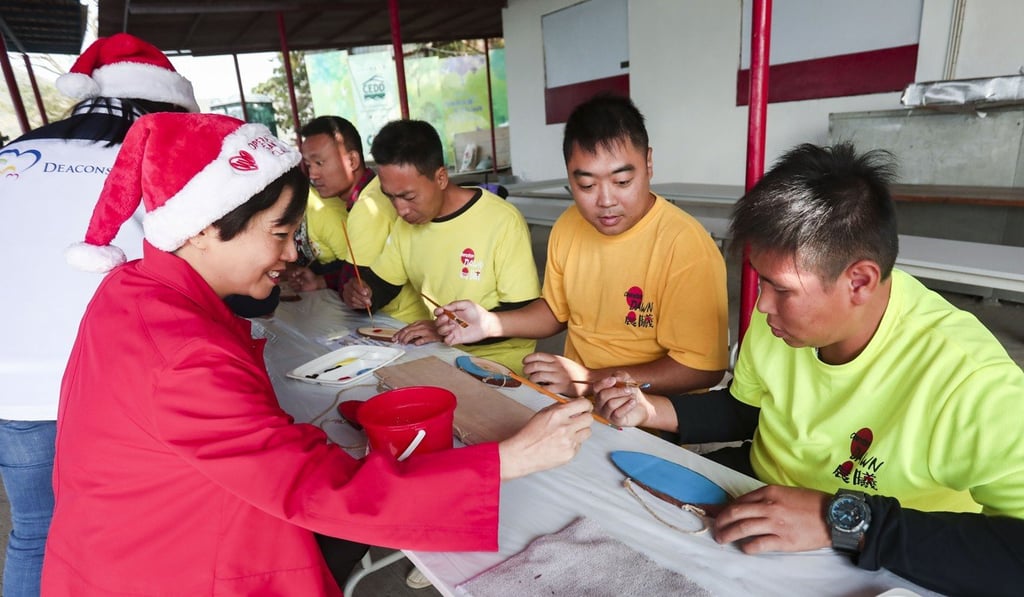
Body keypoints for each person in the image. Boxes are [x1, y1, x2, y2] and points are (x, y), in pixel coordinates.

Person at [44, 113, 592, 596]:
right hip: (176, 567)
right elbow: (315, 488)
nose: (290, 253)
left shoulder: (135, 291)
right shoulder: (185, 355)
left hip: (133, 547)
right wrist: (507, 461)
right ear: (205, 227)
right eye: (280, 232)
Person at [593, 142, 1024, 596]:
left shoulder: (970, 382)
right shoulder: (779, 323)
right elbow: (751, 409)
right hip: (757, 491)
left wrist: (842, 521)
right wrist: (650, 409)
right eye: (761, 281)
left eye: (781, 289)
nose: (762, 305)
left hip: (886, 550)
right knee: (616, 525)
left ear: (859, 281)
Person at [0, 33, 198, 597]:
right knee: (146, 528)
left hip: (10, 384)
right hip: (110, 382)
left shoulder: (13, 156)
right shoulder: (155, 161)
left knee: (36, 531)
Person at [437, 94, 729, 396]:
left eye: (622, 182)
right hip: (576, 398)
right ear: (569, 176)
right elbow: (556, 311)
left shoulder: (685, 247)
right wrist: (490, 323)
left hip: (648, 412)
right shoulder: (568, 226)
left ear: (649, 163)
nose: (606, 201)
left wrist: (590, 379)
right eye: (587, 185)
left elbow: (702, 369)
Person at [342, 119, 539, 373]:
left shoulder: (502, 221)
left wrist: (445, 329)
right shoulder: (406, 226)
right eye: (390, 196)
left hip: (497, 363)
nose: (400, 210)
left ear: (441, 178)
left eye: (409, 196)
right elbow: (383, 284)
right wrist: (363, 292)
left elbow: (522, 311)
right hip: (441, 351)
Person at [290, 116, 427, 322]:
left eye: (320, 163)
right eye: (309, 165)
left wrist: (330, 281)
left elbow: (353, 289)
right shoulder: (374, 190)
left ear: (352, 161)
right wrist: (321, 281)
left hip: (399, 323)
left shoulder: (366, 208)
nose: (313, 174)